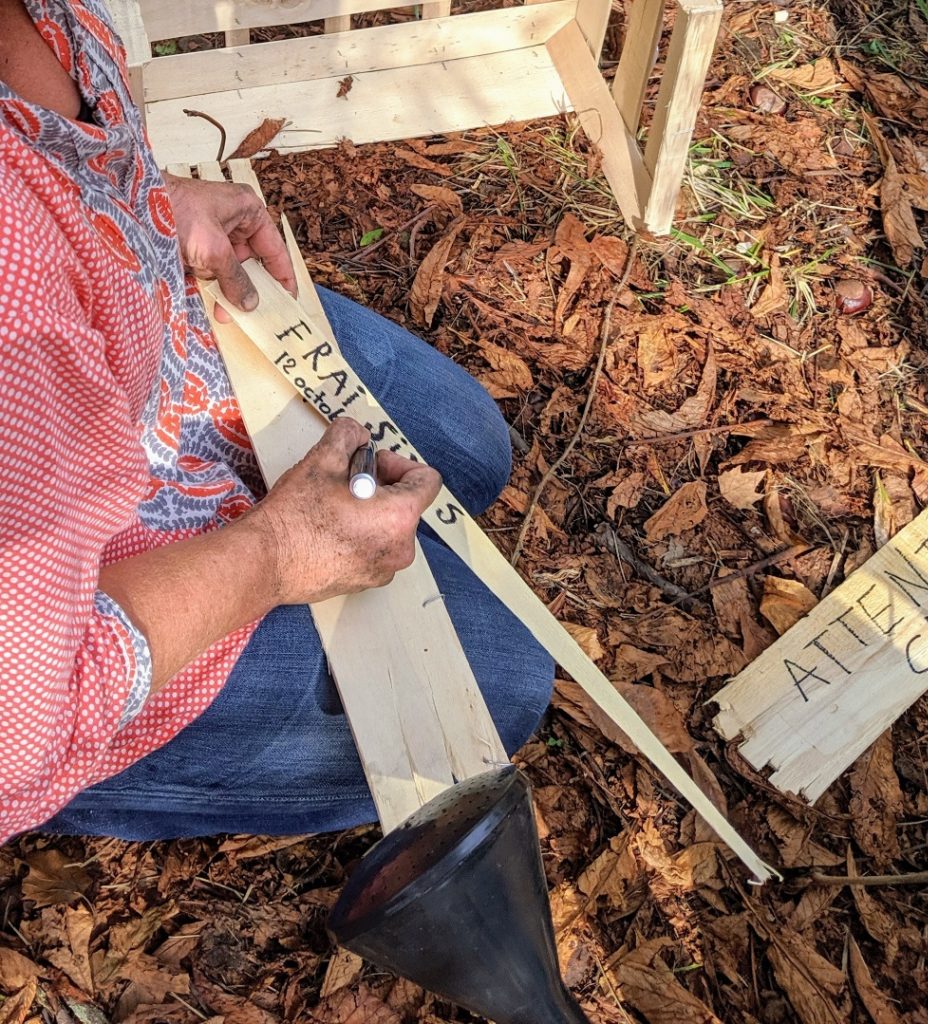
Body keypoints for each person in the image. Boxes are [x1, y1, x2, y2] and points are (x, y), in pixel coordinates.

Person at [0, 0, 554, 843]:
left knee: (467, 448)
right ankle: (94, 785)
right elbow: (20, 710)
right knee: (505, 677)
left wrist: (137, 201)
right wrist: (273, 555)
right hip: (47, 657)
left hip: (140, 366)